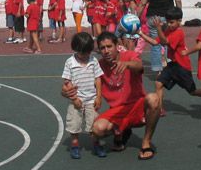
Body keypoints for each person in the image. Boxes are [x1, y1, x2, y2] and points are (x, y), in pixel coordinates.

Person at [64, 31, 161, 160]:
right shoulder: (98, 65)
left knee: (154, 99)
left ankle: (146, 142)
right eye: (102, 48)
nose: (106, 51)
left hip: (137, 106)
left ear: (117, 46)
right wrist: (65, 92)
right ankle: (122, 130)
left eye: (109, 46)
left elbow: (138, 65)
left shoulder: (129, 55)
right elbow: (81, 83)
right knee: (97, 129)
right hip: (117, 111)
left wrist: (127, 64)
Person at [139, 7, 198, 107]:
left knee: (192, 91)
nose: (169, 24)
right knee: (158, 83)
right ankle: (158, 109)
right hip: (173, 65)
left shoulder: (178, 33)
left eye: (171, 22)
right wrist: (140, 33)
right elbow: (155, 42)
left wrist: (158, 28)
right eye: (168, 22)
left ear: (179, 21)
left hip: (182, 66)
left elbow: (164, 41)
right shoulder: (168, 30)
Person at [61, 32, 104, 159]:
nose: (85, 55)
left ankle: (96, 144)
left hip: (91, 99)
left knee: (93, 124)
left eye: (87, 52)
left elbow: (98, 79)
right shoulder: (70, 62)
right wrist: (74, 99)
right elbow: (67, 82)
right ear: (75, 49)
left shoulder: (93, 61)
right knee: (74, 124)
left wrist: (99, 97)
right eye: (82, 53)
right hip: (77, 100)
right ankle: (75, 145)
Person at [138, 0, 182, 72]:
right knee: (168, 42)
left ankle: (158, 69)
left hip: (154, 17)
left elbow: (143, 3)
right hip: (169, 17)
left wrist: (137, 17)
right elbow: (178, 0)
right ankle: (169, 67)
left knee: (156, 44)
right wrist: (179, 15)